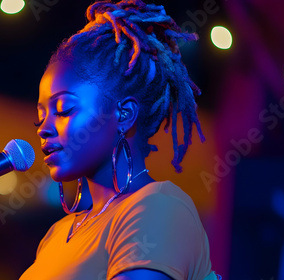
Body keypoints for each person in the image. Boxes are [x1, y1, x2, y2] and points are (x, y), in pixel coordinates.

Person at [20, 0, 220, 279]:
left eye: (64, 109)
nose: (43, 128)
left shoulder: (158, 206)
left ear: (124, 114)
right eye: (39, 116)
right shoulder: (57, 234)